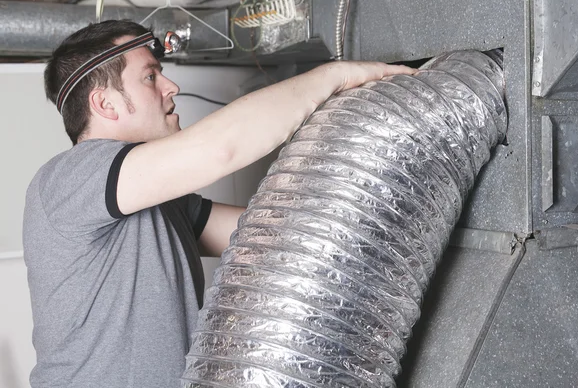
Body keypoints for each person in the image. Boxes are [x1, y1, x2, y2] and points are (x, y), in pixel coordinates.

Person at [22, 19, 415, 387]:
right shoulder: (69, 178)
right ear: (105, 104)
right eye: (150, 76)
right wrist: (336, 76)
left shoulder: (159, 203)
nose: (170, 86)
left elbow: (276, 235)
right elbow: (222, 148)